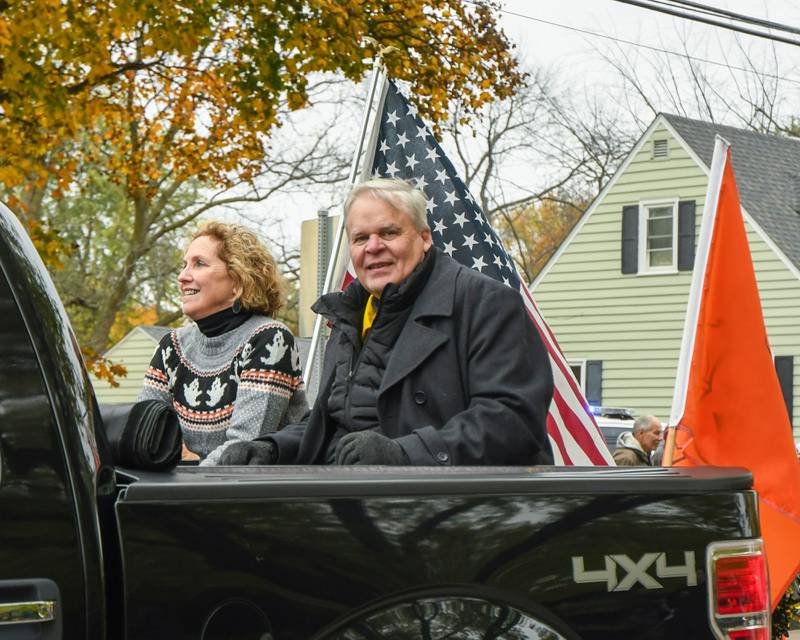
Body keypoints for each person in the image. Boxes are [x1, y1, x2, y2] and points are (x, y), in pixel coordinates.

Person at [222, 178, 554, 466]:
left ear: (424, 238)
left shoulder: (486, 302)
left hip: (453, 512)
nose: (374, 247)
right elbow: (332, 424)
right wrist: (272, 449)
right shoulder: (349, 317)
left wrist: (406, 454)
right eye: (360, 238)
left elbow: (512, 421)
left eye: (389, 232)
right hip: (353, 509)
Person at [139, 221, 309, 466]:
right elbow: (143, 431)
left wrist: (183, 487)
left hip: (269, 491)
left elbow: (242, 448)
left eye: (199, 264)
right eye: (184, 265)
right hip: (206, 486)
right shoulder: (172, 346)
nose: (182, 276)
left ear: (239, 282)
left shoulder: (269, 339)